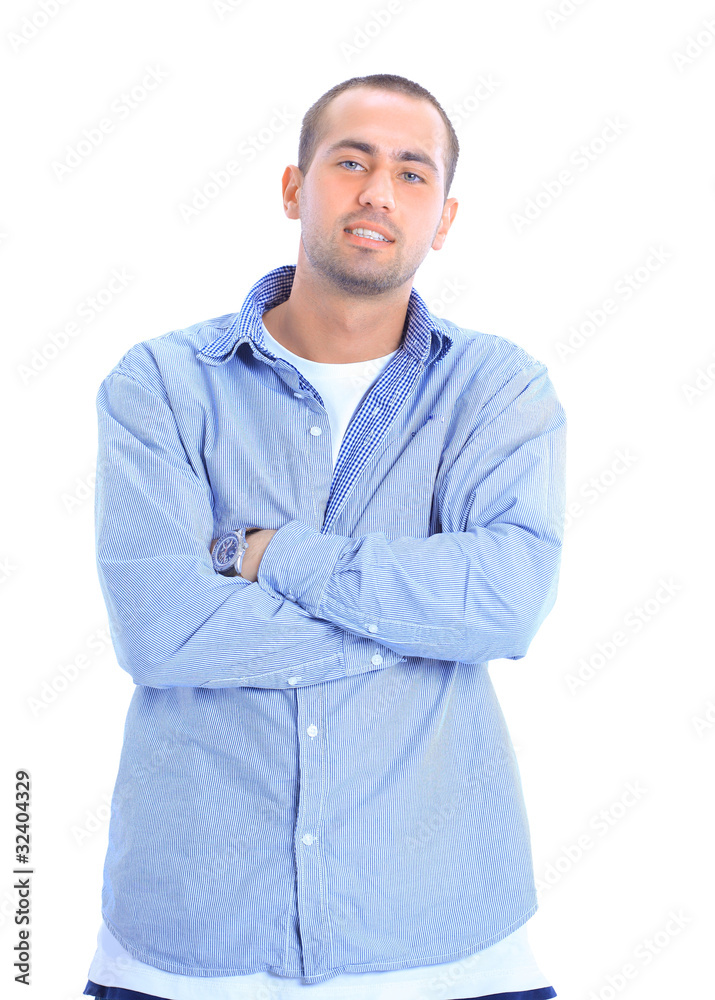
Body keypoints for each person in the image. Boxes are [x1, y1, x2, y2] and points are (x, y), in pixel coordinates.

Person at [83, 73, 565, 1000]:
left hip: (446, 947)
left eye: (411, 173)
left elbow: (506, 603)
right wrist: (423, 626)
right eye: (351, 161)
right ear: (293, 188)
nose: (379, 191)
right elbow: (161, 630)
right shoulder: (162, 385)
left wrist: (276, 557)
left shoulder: (495, 389)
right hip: (191, 948)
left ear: (443, 218)